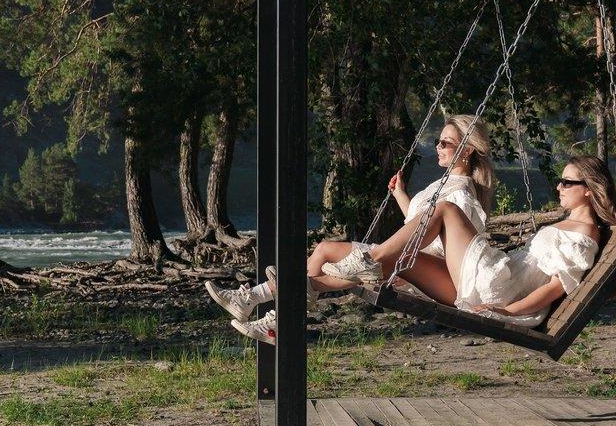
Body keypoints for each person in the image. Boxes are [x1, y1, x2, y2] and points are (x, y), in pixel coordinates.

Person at [205, 114, 494, 344]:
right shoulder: (444, 185)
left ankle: (264, 307)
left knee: (339, 257)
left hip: (435, 274)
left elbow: (451, 249)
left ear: (467, 149)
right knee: (323, 250)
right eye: (438, 142)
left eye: (446, 143)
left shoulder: (461, 195)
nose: (438, 147)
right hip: (412, 259)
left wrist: (399, 266)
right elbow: (420, 223)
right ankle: (264, 309)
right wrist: (400, 195)